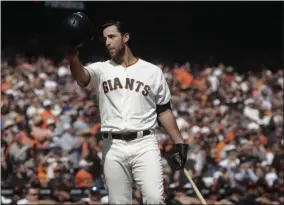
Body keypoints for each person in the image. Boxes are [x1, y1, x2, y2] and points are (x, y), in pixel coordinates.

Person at [63, 12, 188, 204]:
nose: (107, 42)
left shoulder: (153, 72)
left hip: (144, 142)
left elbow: (163, 110)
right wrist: (73, 56)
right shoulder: (101, 69)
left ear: (126, 37)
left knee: (155, 199)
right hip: (113, 145)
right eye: (104, 38)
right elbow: (80, 76)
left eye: (112, 36)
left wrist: (179, 142)